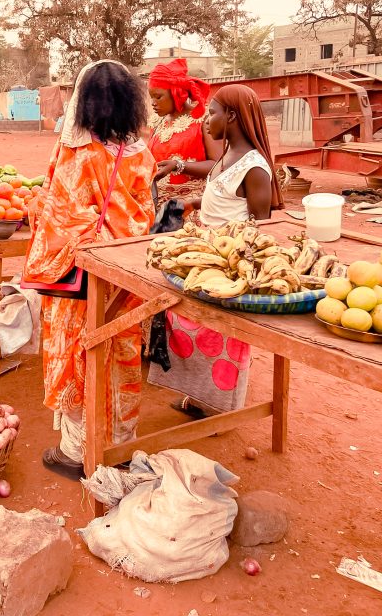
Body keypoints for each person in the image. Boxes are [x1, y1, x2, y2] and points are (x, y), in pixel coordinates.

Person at [23, 60, 156, 479]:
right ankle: (119, 438)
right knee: (121, 350)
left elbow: (58, 215)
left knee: (76, 351)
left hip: (77, 274)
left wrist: (34, 207)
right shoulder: (141, 155)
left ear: (83, 104)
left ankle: (77, 450)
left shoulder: (78, 155)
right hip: (125, 271)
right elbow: (145, 213)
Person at [148, 84, 283, 416]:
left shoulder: (255, 167)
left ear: (232, 116)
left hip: (229, 261)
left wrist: (238, 262)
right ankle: (199, 399)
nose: (206, 120)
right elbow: (221, 186)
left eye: (212, 113)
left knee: (222, 337)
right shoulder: (229, 155)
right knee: (190, 325)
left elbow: (259, 227)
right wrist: (193, 200)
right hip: (206, 251)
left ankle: (220, 406)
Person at [147, 59, 221, 205]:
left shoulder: (202, 120)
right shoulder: (156, 122)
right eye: (151, 97)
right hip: (159, 207)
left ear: (176, 93)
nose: (153, 103)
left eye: (158, 96)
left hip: (192, 207)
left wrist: (178, 165)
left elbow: (219, 165)